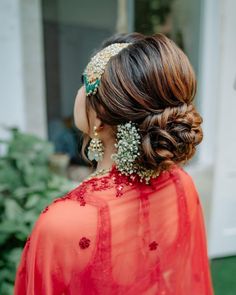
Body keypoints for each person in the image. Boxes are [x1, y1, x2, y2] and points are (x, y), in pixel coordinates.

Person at [14, 32, 214, 295]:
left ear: (97, 119)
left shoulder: (61, 224)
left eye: (84, 83)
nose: (79, 92)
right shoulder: (180, 182)